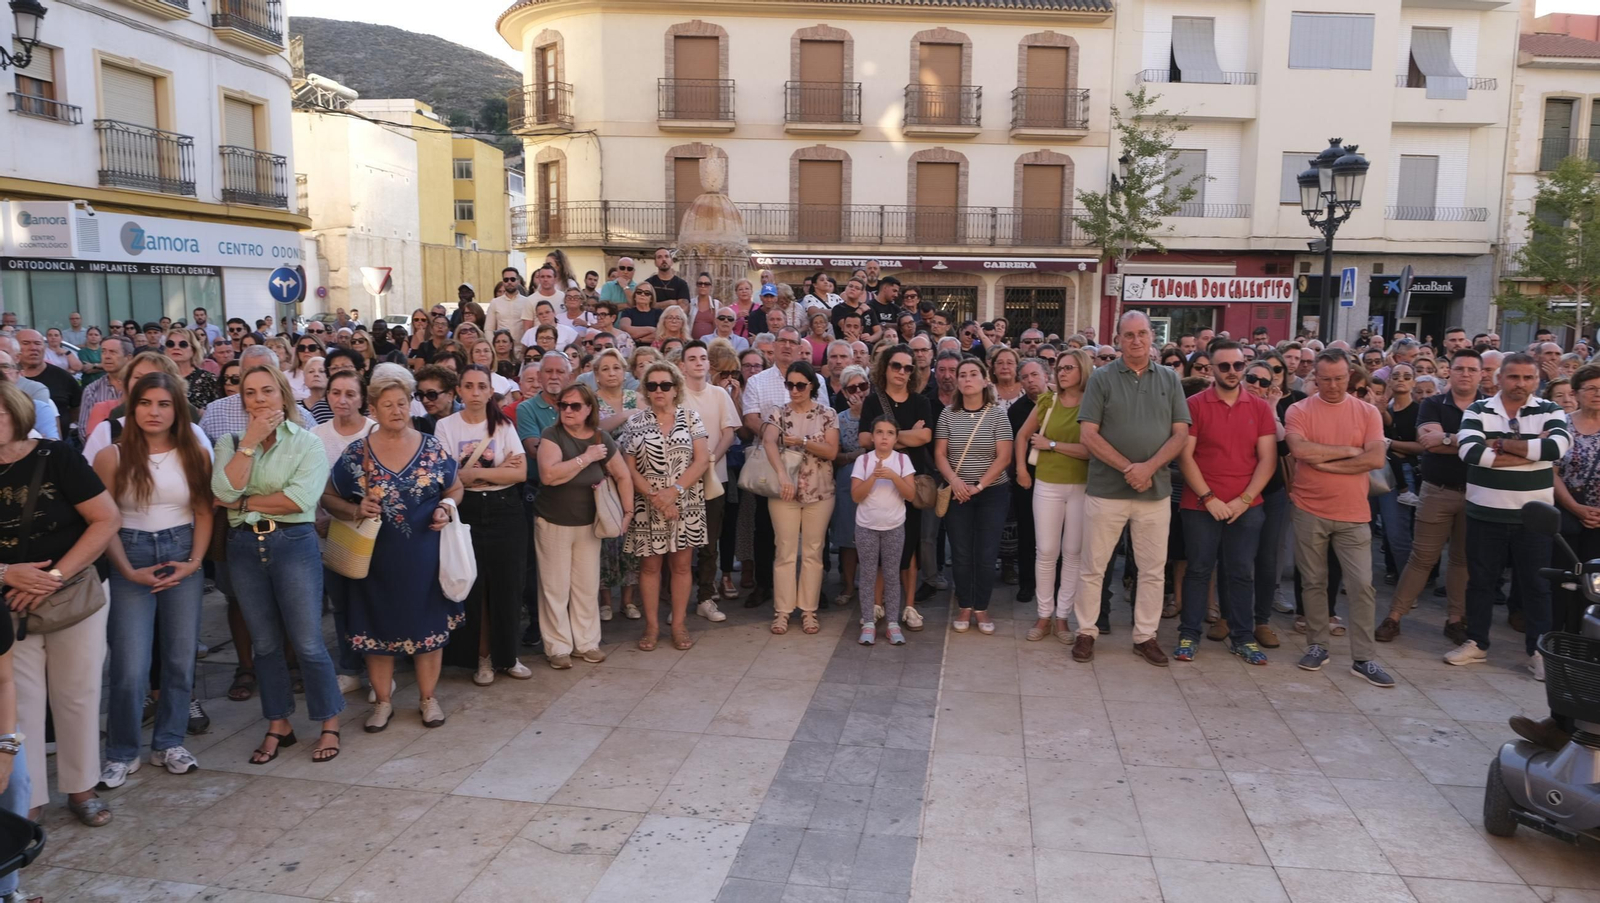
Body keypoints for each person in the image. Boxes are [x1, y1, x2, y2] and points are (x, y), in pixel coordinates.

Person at [0, 381, 119, 826]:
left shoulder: (57, 457)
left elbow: (107, 519)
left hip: (73, 595)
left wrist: (51, 578)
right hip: (9, 604)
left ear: (16, 413)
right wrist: (7, 574)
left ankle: (81, 788)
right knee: (20, 703)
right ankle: (26, 800)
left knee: (78, 695)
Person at [213, 365, 344, 764]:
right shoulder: (231, 441)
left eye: (266, 391)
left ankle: (329, 722)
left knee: (306, 641)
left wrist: (243, 502)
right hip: (244, 548)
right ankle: (278, 723)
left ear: (283, 395)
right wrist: (249, 444)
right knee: (265, 644)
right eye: (250, 393)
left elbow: (299, 501)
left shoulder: (307, 443)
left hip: (293, 544)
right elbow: (220, 489)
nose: (258, 400)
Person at [324, 364, 462, 733]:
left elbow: (455, 487)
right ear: (374, 408)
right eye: (388, 405)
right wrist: (354, 509)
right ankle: (383, 703)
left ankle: (428, 699)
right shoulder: (357, 453)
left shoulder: (431, 447)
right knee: (376, 633)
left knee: (428, 632)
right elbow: (328, 497)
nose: (397, 410)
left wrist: (445, 508)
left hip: (425, 558)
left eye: (403, 403)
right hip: (375, 562)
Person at [95, 372, 214, 787]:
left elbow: (203, 511)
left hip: (182, 553)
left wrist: (194, 562)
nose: (154, 411)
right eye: (146, 403)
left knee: (180, 658)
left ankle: (169, 743)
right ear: (133, 406)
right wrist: (126, 568)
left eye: (163, 404)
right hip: (130, 552)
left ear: (176, 409)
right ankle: (122, 753)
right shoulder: (112, 455)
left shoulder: (195, 452)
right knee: (130, 663)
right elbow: (102, 520)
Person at [1073, 312, 1190, 666]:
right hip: (1107, 489)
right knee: (1094, 565)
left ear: (1151, 337)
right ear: (1118, 338)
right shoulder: (1101, 379)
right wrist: (1129, 468)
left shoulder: (1170, 379)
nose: (1136, 340)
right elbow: (1088, 434)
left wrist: (1149, 468)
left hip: (1153, 492)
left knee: (1153, 569)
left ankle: (1145, 636)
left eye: (1142, 334)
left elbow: (1180, 433)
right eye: (1129, 335)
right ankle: (1086, 632)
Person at [1448, 352, 1570, 677]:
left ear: (1537, 380)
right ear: (1499, 378)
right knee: (1481, 582)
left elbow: (1557, 448)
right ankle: (1477, 642)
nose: (1521, 384)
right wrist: (1531, 452)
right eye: (1514, 377)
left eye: (1528, 378)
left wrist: (1499, 444)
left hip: (1534, 518)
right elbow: (1470, 452)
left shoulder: (1550, 409)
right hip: (1485, 513)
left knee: (1536, 586)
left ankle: (1538, 651)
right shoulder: (1478, 409)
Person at [1284, 352, 1394, 686]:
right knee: (1313, 581)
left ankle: (1364, 658)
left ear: (1351, 377)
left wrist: (1327, 462)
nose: (1332, 386)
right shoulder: (1299, 410)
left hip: (1354, 513)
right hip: (1308, 508)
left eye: (1339, 378)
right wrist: (1348, 451)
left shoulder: (1367, 412)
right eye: (1325, 379)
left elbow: (1375, 458)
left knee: (1362, 584)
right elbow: (1300, 451)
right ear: (1314, 377)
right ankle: (1317, 645)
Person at [1171, 342, 1277, 665]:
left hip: (1246, 506)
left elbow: (1268, 460)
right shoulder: (1194, 405)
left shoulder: (1259, 408)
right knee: (1198, 570)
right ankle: (1188, 633)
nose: (1233, 371)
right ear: (1212, 369)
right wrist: (1209, 498)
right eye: (1224, 366)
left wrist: (1244, 500)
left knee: (1241, 572)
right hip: (1201, 504)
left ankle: (1243, 637)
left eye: (1238, 365)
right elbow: (1185, 456)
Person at [1378, 349, 1483, 643]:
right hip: (1437, 490)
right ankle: (1394, 616)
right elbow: (1429, 443)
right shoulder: (1434, 404)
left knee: (1461, 560)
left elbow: (1494, 446)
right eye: (1459, 368)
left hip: (1476, 494)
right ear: (1449, 372)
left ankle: (1455, 619)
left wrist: (1449, 438)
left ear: (1480, 374)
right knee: (1421, 557)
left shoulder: (1490, 407)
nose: (1465, 374)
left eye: (1471, 370)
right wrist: (1476, 442)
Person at [435, 366, 532, 681]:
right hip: (467, 510)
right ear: (459, 391)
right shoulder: (445, 426)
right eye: (469, 386)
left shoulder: (502, 425)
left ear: (491, 391)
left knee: (508, 585)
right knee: (473, 587)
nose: (475, 392)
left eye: (481, 386)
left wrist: (476, 474)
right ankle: (482, 658)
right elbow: (447, 477)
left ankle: (508, 656)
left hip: (506, 509)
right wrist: (497, 469)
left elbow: (518, 473)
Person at [536, 383, 634, 667]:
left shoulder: (601, 437)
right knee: (555, 588)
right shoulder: (551, 435)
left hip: (590, 524)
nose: (567, 410)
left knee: (586, 585)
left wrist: (627, 512)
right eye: (563, 405)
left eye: (575, 405)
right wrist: (586, 458)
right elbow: (549, 475)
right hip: (553, 522)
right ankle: (558, 648)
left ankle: (587, 643)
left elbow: (623, 475)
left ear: (589, 408)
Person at [619, 361, 710, 652]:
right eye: (652, 385)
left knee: (682, 567)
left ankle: (679, 624)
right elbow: (628, 468)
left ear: (676, 389)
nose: (659, 390)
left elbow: (702, 460)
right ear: (645, 390)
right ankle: (651, 626)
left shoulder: (691, 418)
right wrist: (657, 497)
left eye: (665, 385)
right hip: (648, 503)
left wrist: (674, 491)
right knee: (649, 566)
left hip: (686, 502)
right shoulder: (635, 422)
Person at [1015, 348, 1092, 643]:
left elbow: (1090, 450)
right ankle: (1044, 614)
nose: (1062, 372)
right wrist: (1022, 469)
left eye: (1069, 368)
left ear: (1083, 370)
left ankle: (1063, 618)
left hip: (1082, 487)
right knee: (1046, 551)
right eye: (1059, 368)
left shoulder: (1093, 404)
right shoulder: (1048, 401)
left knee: (1073, 553)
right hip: (1047, 484)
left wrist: (1052, 444)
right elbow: (1022, 435)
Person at [936, 357, 1013, 633]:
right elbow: (940, 454)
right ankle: (964, 605)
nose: (967, 379)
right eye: (962, 375)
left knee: (986, 552)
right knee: (960, 552)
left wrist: (978, 486)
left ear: (984, 380)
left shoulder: (997, 414)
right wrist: (956, 482)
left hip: (991, 493)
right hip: (958, 493)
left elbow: (1004, 457)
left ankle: (981, 608)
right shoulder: (947, 414)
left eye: (973, 374)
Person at [763, 360, 840, 635]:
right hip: (784, 491)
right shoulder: (778, 413)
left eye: (800, 385)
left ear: (812, 386)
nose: (794, 390)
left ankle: (809, 610)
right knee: (784, 551)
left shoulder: (828, 414)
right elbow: (769, 441)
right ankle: (782, 611)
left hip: (820, 491)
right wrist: (783, 476)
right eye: (790, 384)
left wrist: (804, 442)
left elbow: (831, 451)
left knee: (813, 552)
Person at [856, 346, 930, 629]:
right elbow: (864, 439)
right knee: (878, 544)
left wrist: (886, 438)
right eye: (896, 366)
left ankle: (908, 606)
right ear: (885, 367)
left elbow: (925, 436)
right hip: (876, 484)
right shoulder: (874, 401)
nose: (902, 372)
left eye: (908, 368)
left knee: (909, 546)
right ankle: (876, 604)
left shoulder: (921, 401)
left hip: (909, 482)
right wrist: (905, 437)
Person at [679, 342, 739, 622]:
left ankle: (705, 597)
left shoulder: (720, 395)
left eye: (703, 358)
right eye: (692, 358)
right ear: (683, 365)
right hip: (681, 478)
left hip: (716, 478)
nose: (698, 363)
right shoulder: (676, 395)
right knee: (680, 541)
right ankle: (678, 603)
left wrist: (710, 459)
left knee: (708, 541)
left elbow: (729, 433)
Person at [852, 414, 916, 646]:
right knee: (868, 576)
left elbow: (910, 494)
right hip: (867, 527)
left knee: (891, 575)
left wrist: (892, 476)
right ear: (872, 436)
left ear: (896, 437)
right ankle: (868, 622)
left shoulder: (902, 461)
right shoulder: (864, 461)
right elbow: (856, 495)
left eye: (889, 433)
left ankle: (892, 624)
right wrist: (873, 477)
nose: (884, 438)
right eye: (880, 432)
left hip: (894, 527)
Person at [831, 365, 871, 610]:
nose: (859, 392)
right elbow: (836, 454)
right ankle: (847, 584)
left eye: (863, 386)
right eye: (853, 387)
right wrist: (856, 454)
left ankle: (869, 585)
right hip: (847, 480)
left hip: (875, 480)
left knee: (873, 534)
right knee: (848, 537)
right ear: (845, 391)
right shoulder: (839, 418)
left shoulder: (877, 413)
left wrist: (853, 455)